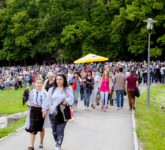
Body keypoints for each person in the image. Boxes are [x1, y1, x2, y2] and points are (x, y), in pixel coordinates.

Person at [42, 74, 74, 150]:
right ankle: (57, 142)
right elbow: (47, 100)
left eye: (61, 79)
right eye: (57, 79)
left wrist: (66, 101)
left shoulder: (67, 89)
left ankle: (58, 145)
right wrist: (44, 110)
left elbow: (71, 98)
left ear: (64, 80)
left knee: (60, 130)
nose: (59, 81)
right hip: (52, 113)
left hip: (62, 113)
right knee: (54, 131)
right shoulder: (51, 89)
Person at [25, 79, 47, 150]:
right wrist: (29, 109)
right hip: (33, 110)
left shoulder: (45, 93)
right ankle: (31, 146)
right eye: (37, 83)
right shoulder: (32, 92)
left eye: (40, 83)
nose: (39, 84)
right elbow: (29, 101)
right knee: (32, 127)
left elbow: (47, 103)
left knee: (41, 128)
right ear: (35, 84)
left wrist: (45, 111)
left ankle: (41, 142)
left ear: (42, 84)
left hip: (41, 110)